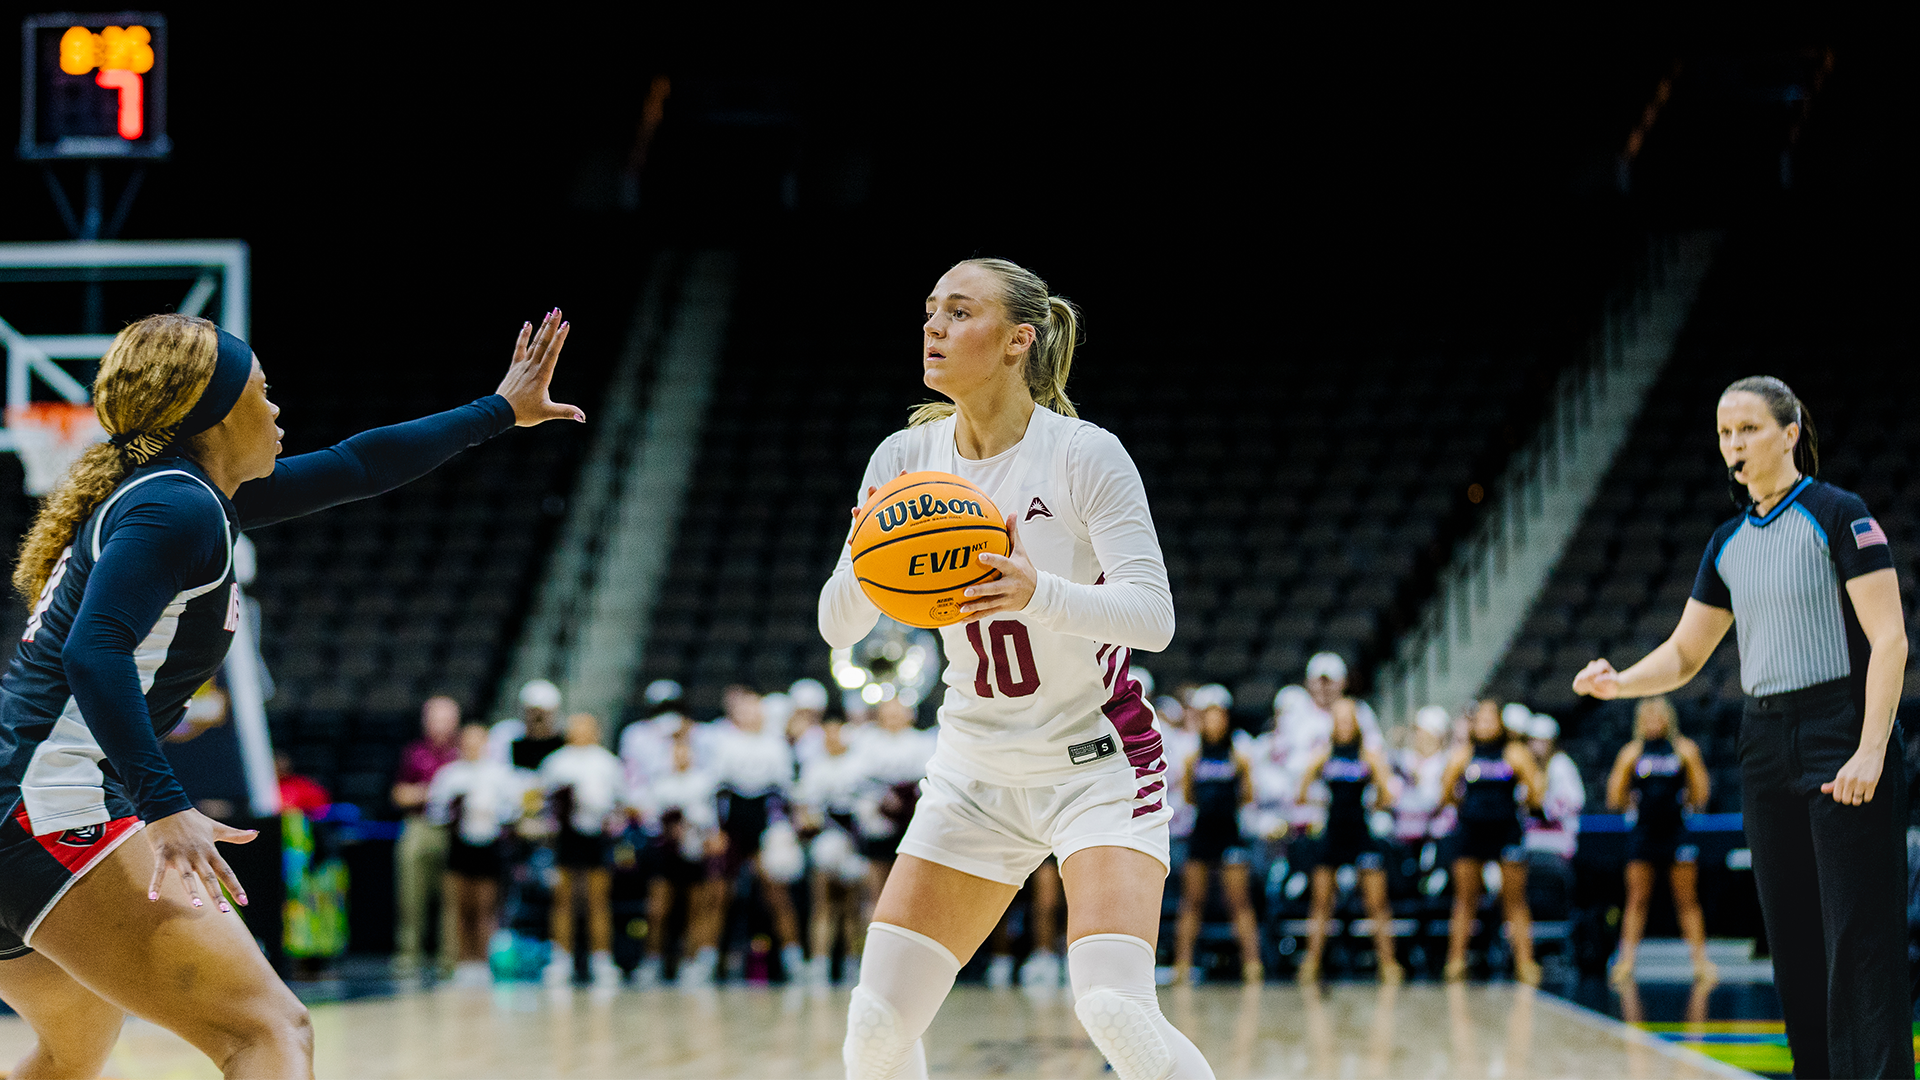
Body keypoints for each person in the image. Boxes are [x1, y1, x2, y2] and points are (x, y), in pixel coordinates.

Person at [0, 309, 578, 1076]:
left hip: (19, 802)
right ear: (211, 412)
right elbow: (92, 650)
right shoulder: (176, 508)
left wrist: (500, 409)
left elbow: (357, 465)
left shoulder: (185, 498)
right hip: (48, 804)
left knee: (76, 1044)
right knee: (270, 1030)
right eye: (262, 392)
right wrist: (165, 806)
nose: (276, 409)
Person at [820, 258, 1213, 1080]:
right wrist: (862, 559)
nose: (933, 327)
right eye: (930, 310)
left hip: (1096, 766)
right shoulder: (905, 458)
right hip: (974, 771)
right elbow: (838, 626)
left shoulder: (1084, 454)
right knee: (876, 1027)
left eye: (959, 312)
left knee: (1116, 1011)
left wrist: (1040, 594)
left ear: (1017, 340)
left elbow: (1155, 616)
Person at [1573, 376, 1910, 1077]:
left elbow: (1891, 639)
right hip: (1763, 741)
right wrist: (1620, 682)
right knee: (1791, 938)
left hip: (1839, 729)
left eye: (1749, 429)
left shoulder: (1839, 514)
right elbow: (1685, 653)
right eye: (1725, 433)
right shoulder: (1726, 543)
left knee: (1859, 935)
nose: (1734, 444)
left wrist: (1870, 749)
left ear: (1790, 434)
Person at [1603, 697, 1712, 987]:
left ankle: (1700, 963)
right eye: (1647, 716)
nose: (1653, 720)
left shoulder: (1684, 750)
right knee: (1636, 899)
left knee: (1687, 900)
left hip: (1676, 832)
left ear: (1668, 718)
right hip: (1644, 833)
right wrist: (1629, 800)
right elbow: (1614, 797)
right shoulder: (1632, 753)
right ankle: (1626, 962)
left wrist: (1687, 799)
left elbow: (1701, 793)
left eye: (1658, 715)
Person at [1438, 699, 1545, 984]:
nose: (1485, 724)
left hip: (1506, 831)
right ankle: (1456, 961)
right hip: (1471, 831)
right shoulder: (1463, 755)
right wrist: (1467, 808)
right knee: (1465, 899)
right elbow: (1446, 792)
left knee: (1515, 900)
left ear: (1500, 723)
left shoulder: (1515, 754)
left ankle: (1525, 962)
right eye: (1480, 719)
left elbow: (1535, 794)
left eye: (1490, 719)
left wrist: (1521, 799)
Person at [1294, 698, 1401, 984]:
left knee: (1377, 902)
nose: (1343, 724)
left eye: (1348, 719)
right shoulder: (1324, 755)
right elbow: (1301, 791)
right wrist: (1317, 801)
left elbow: (1388, 793)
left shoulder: (1368, 755)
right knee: (1321, 902)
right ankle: (1311, 963)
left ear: (1356, 723)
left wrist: (1376, 801)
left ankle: (1388, 964)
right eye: (1338, 719)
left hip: (1360, 832)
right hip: (1332, 833)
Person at [708, 689, 804, 982]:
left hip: (765, 821)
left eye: (755, 709)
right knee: (719, 895)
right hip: (733, 823)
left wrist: (784, 831)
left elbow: (787, 792)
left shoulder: (776, 746)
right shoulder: (725, 744)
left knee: (777, 894)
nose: (752, 715)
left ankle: (793, 959)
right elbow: (714, 790)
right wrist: (716, 829)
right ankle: (705, 960)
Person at [1171, 689, 1261, 984]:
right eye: (1208, 716)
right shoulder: (1193, 756)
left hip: (1230, 833)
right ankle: (1182, 965)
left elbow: (1248, 796)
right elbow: (1188, 796)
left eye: (1218, 716)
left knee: (1239, 901)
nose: (1214, 722)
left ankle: (1252, 964)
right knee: (1192, 900)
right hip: (1202, 832)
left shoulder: (1238, 755)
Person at [427, 723, 526, 988]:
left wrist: (494, 815)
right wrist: (455, 811)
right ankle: (463, 962)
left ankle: (482, 962)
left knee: (485, 907)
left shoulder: (500, 775)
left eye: (478, 741)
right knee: (461, 907)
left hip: (489, 846)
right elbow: (435, 812)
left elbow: (513, 810)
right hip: (460, 846)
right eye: (468, 741)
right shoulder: (449, 775)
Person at [538, 712, 626, 989]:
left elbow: (620, 802)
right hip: (567, 837)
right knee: (563, 899)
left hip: (597, 837)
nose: (580, 732)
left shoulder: (607, 763)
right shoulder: (556, 762)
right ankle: (561, 959)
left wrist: (609, 820)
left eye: (586, 727)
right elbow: (543, 800)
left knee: (598, 899)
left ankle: (601, 959)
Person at [633, 730, 725, 986]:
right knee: (658, 908)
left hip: (695, 852)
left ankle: (691, 961)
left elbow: (713, 823)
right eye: (676, 751)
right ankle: (652, 959)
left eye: (685, 751)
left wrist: (703, 834)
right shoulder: (660, 783)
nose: (681, 756)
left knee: (696, 908)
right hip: (665, 853)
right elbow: (648, 818)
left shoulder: (704, 783)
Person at [795, 718, 873, 986]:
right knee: (823, 903)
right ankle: (820, 963)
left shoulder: (860, 766)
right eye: (827, 733)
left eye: (836, 732)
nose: (832, 738)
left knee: (853, 905)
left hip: (855, 844)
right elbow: (804, 812)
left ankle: (853, 962)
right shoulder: (814, 768)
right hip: (825, 842)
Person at [390, 694, 461, 976]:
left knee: (452, 896)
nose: (440, 726)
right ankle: (409, 954)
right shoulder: (415, 753)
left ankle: (450, 958)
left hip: (453, 830)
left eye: (445, 720)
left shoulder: (461, 754)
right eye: (434, 720)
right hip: (419, 825)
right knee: (411, 895)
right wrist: (430, 792)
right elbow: (399, 794)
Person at [1521, 714, 1583, 861]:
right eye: (1533, 740)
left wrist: (1540, 809)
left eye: (1542, 741)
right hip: (1530, 841)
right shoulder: (1525, 765)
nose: (1537, 745)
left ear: (1551, 742)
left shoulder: (1561, 764)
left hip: (1558, 842)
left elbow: (1575, 801)